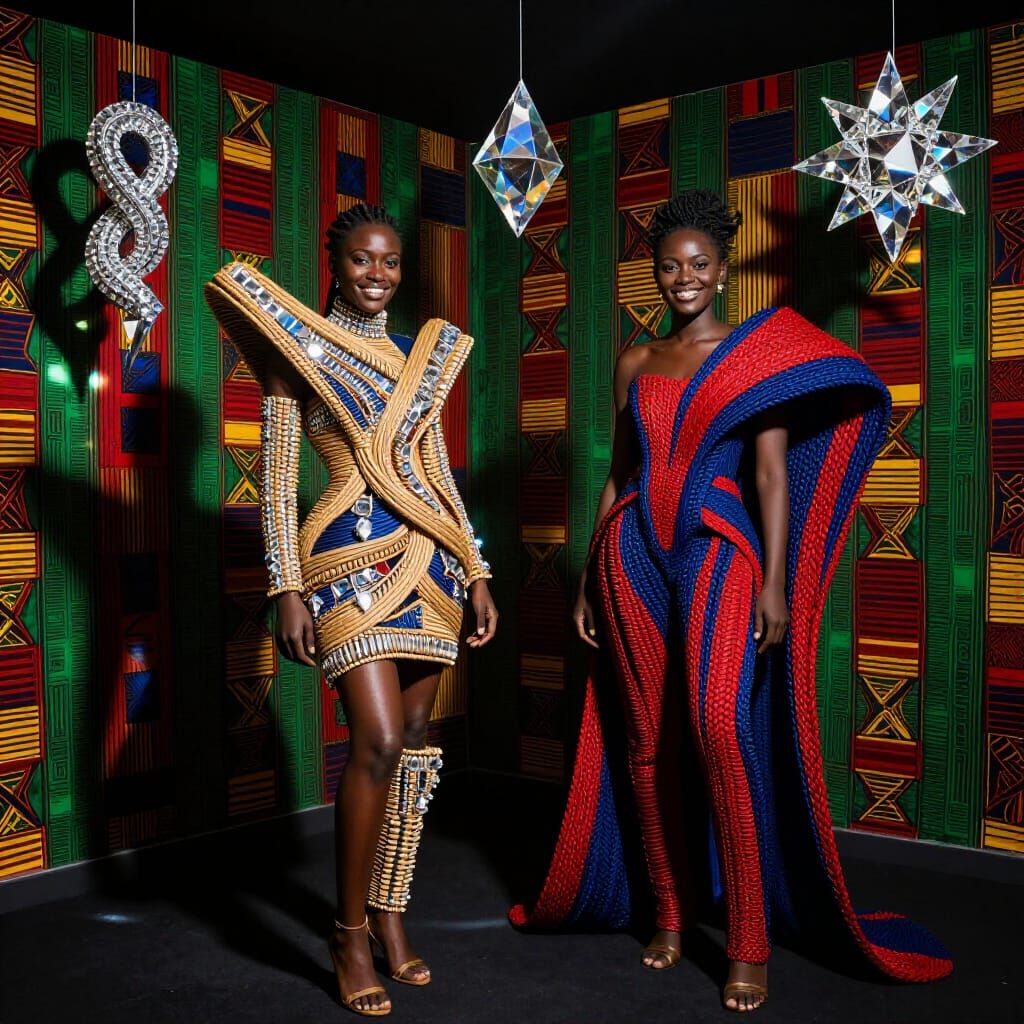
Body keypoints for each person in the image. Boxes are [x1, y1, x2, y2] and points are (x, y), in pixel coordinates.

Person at [510, 190, 950, 1011]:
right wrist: (587, 573)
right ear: (655, 272)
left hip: (719, 549)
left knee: (719, 729)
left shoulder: (756, 360)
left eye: (699, 265)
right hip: (631, 550)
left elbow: (773, 475)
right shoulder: (635, 361)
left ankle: (747, 940)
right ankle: (671, 917)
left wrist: (778, 582)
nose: (684, 278)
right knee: (645, 740)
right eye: (670, 266)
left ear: (721, 272)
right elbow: (618, 469)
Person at [205, 203, 498, 1017]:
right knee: (370, 740)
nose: (380, 275)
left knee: (410, 744)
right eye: (364, 261)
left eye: (392, 262)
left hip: (431, 564)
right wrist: (285, 587)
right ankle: (347, 930)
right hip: (343, 559)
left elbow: (436, 468)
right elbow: (276, 475)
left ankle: (392, 916)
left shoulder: (418, 357)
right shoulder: (297, 350)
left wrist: (475, 568)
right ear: (335, 265)